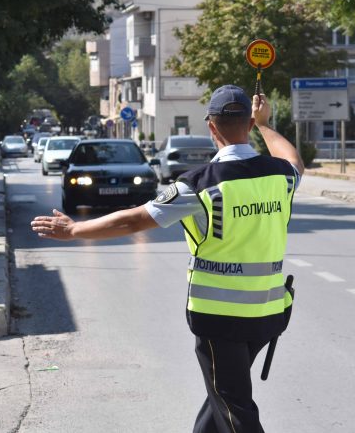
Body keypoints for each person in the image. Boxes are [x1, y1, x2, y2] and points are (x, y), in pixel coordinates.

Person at [31, 85, 304, 432]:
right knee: (222, 396)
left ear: (212, 127)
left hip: (220, 318)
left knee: (233, 406)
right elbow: (295, 160)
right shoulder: (280, 175)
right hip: (267, 314)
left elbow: (134, 220)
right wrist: (266, 124)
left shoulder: (200, 184)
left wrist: (74, 230)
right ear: (248, 125)